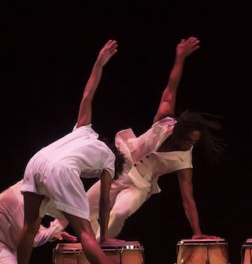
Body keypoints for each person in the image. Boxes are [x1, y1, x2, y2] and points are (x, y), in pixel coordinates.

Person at [15, 39, 130, 264]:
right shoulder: (110, 159)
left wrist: (99, 62)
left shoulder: (84, 129)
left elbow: (87, 94)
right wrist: (103, 237)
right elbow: (103, 200)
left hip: (36, 160)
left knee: (29, 225)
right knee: (85, 234)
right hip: (61, 169)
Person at [86, 37, 222, 240]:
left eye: (194, 142)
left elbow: (188, 200)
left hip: (139, 186)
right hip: (119, 170)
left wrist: (197, 232)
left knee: (119, 213)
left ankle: (98, 250)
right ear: (177, 132)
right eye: (188, 140)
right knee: (82, 209)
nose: (190, 145)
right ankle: (53, 233)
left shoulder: (183, 161)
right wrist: (180, 57)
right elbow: (171, 89)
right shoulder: (164, 122)